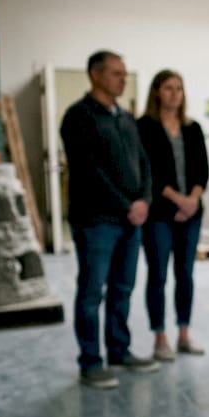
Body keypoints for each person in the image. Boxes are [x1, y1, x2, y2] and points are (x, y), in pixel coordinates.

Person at [62, 50, 158, 389]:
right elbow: (89, 171)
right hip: (96, 221)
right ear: (96, 75)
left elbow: (144, 163)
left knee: (123, 288)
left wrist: (145, 199)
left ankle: (119, 350)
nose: (122, 79)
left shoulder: (126, 117)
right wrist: (126, 205)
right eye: (116, 73)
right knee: (92, 292)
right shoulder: (79, 116)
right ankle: (91, 362)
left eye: (124, 73)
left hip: (131, 220)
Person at [136, 69, 209, 361]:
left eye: (179, 88)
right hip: (159, 214)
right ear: (157, 92)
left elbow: (203, 169)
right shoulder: (144, 127)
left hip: (191, 213)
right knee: (158, 275)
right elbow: (149, 171)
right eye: (168, 88)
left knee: (185, 275)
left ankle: (183, 334)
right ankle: (160, 338)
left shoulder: (193, 128)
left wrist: (192, 200)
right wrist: (179, 200)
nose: (174, 94)